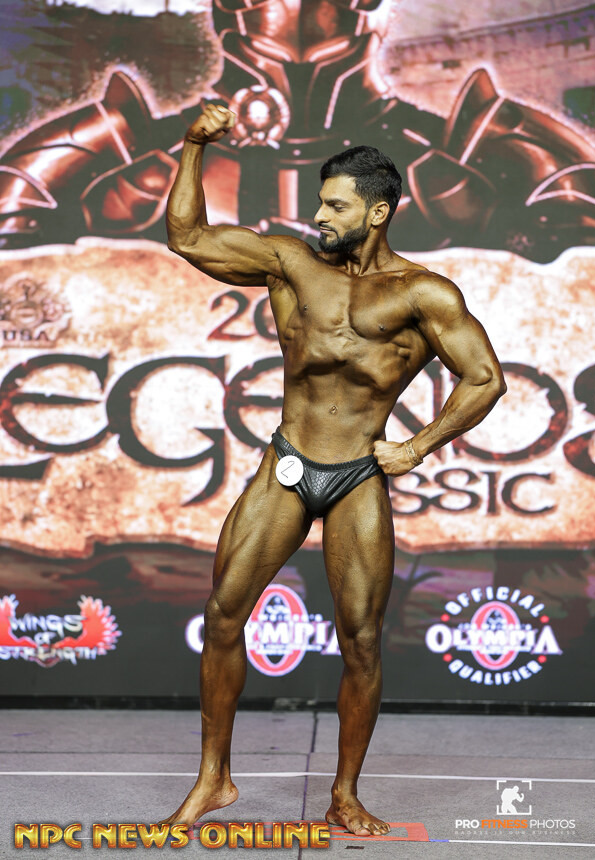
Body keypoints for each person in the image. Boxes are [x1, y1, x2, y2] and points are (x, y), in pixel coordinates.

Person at [161, 104, 507, 836]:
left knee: (362, 641)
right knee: (223, 614)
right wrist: (193, 145)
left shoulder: (423, 293)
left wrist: (418, 446)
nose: (320, 215)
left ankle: (345, 794)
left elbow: (484, 379)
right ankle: (214, 778)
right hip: (288, 461)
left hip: (358, 476)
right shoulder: (291, 264)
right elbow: (187, 237)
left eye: (337, 206)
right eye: (321, 202)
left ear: (378, 212)